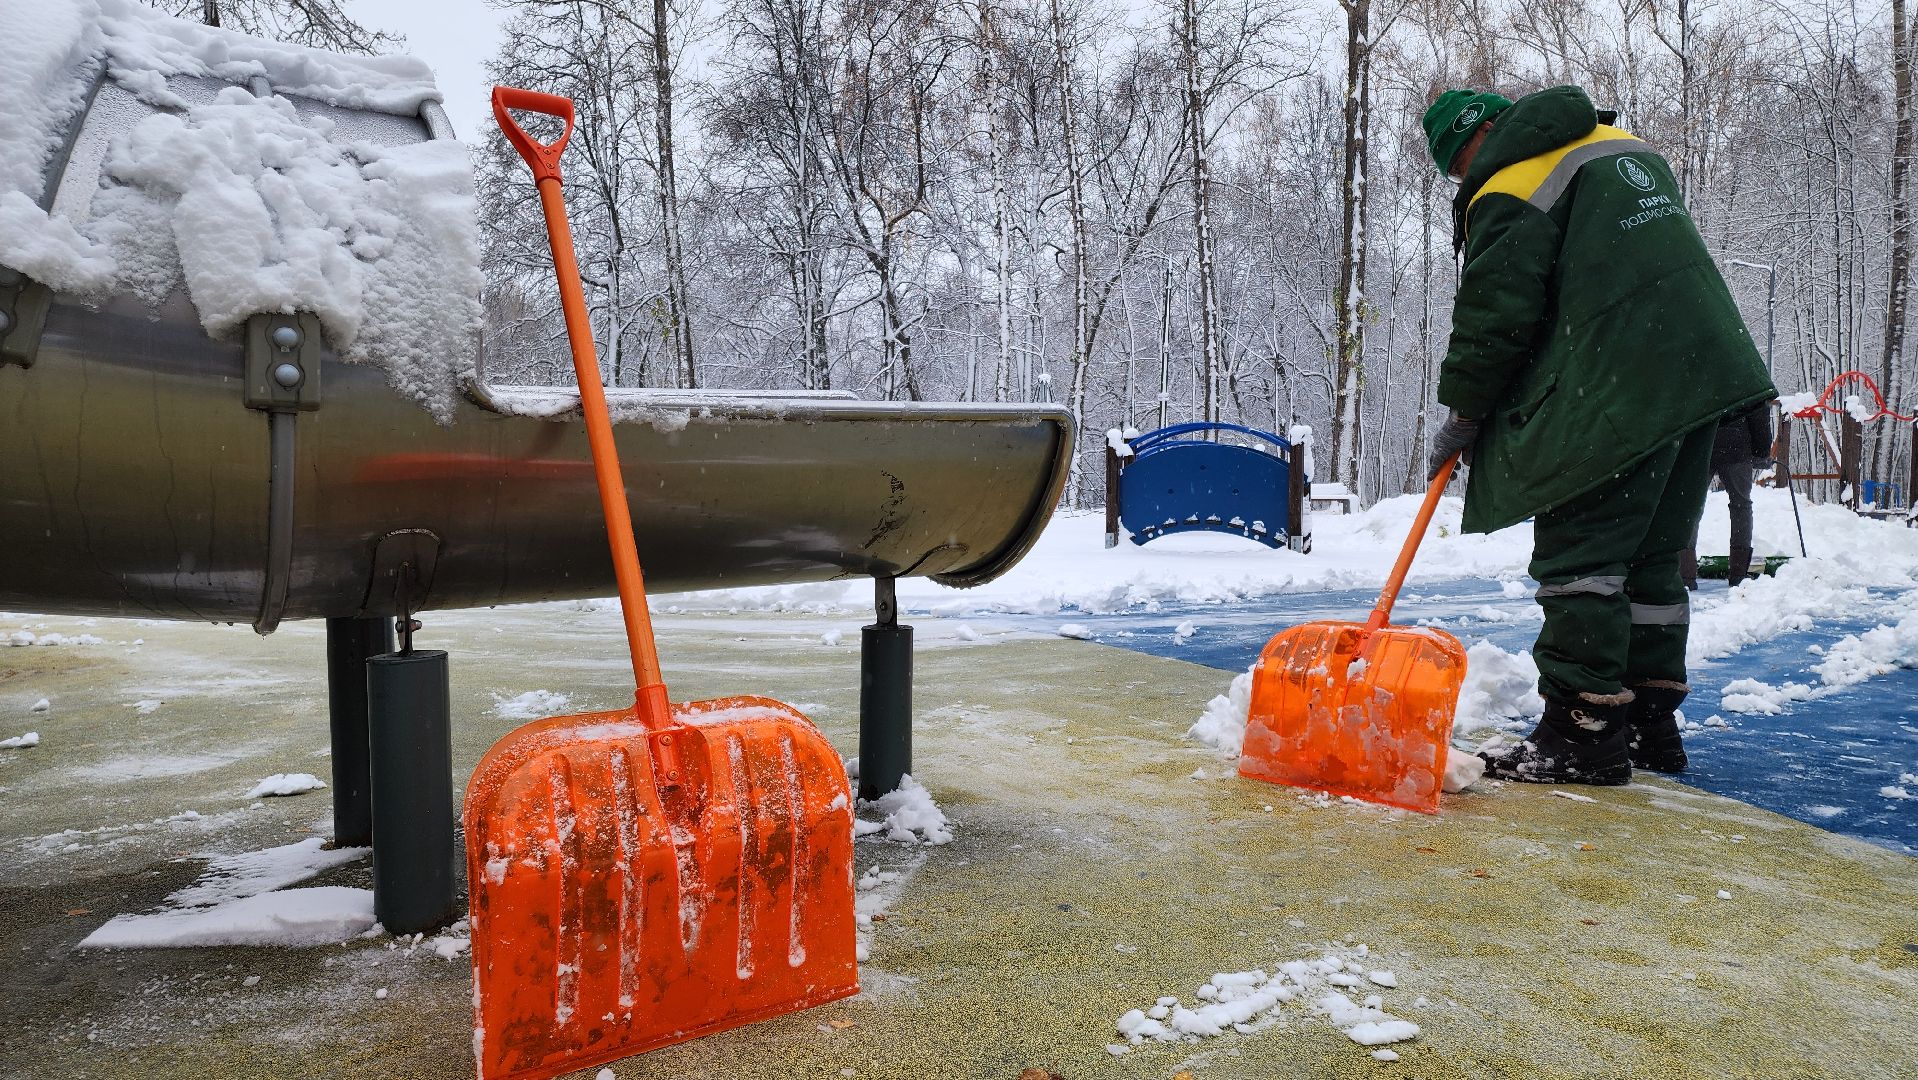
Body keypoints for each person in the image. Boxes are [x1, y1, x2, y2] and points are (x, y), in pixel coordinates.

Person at [1420, 86, 1775, 784]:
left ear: (1479, 137)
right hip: (1703, 369)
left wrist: (1464, 411)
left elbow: (1497, 311)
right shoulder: (1620, 148)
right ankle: (1648, 723)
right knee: (1648, 558)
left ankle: (1581, 731)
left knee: (1582, 552)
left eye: (1460, 166)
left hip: (1618, 377)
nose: (1466, 180)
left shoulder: (1514, 178)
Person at [1680, 403, 1775, 589]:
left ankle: (1685, 574)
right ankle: (1738, 575)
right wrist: (1762, 452)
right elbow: (1759, 408)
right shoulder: (1747, 373)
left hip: (1701, 443)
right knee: (1741, 507)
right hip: (1737, 446)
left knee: (1689, 506)